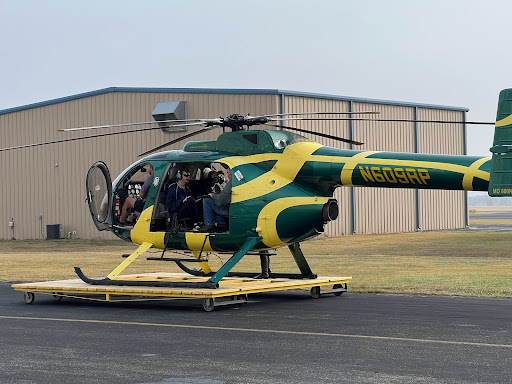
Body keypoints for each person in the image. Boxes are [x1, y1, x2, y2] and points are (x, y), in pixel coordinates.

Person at [199, 167, 231, 232]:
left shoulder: (230, 184)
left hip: (229, 210)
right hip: (230, 207)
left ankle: (209, 224)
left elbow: (220, 200)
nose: (227, 175)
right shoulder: (233, 183)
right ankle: (221, 224)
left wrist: (212, 196)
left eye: (227, 172)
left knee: (206, 200)